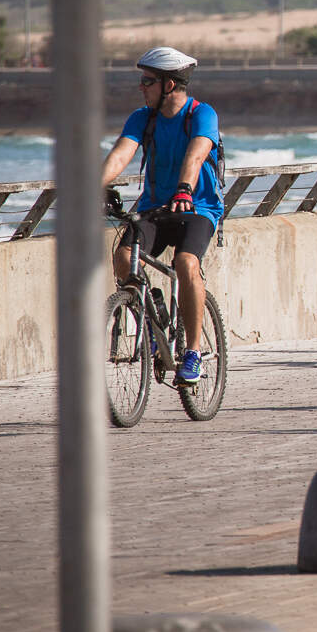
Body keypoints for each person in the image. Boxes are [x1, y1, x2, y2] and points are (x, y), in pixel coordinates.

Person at [99, 46, 223, 384]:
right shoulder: (142, 118)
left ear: (169, 85)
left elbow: (197, 154)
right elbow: (120, 154)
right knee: (124, 258)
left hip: (196, 207)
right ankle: (153, 311)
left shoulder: (201, 114)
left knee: (185, 263)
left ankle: (193, 353)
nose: (141, 87)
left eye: (147, 81)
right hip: (154, 208)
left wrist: (184, 189)